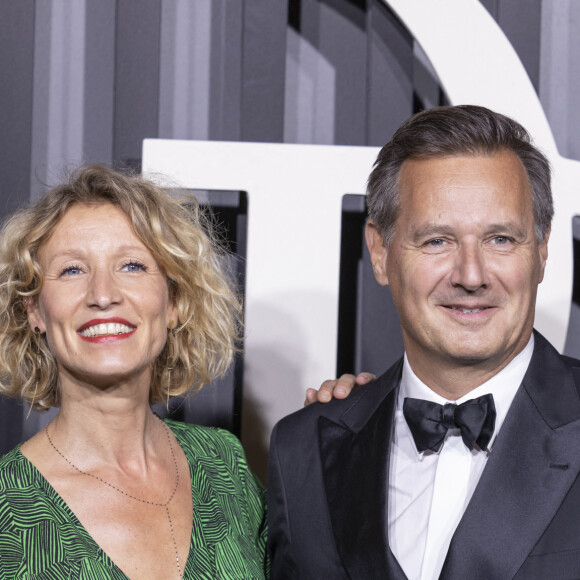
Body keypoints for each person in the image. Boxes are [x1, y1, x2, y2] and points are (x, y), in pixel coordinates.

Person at [268, 105, 580, 580]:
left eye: (500, 239)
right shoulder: (305, 447)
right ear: (380, 252)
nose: (471, 276)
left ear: (540, 251)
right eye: (437, 241)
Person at [0, 165, 349, 579]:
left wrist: (353, 449)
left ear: (175, 301)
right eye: (73, 269)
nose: (103, 295)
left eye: (131, 265)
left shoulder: (224, 466)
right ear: (35, 310)